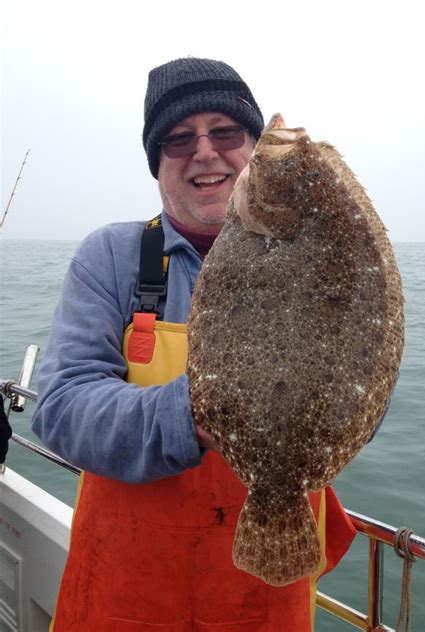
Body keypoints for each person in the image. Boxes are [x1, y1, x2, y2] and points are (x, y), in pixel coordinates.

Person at [31, 57, 356, 631]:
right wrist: (200, 412)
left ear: (254, 149)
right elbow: (61, 409)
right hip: (126, 594)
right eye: (179, 139)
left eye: (225, 132)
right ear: (157, 165)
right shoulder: (111, 257)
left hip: (262, 602)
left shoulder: (322, 261)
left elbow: (360, 381)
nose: (204, 151)